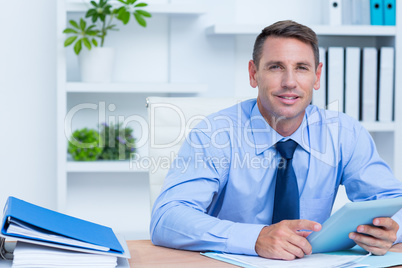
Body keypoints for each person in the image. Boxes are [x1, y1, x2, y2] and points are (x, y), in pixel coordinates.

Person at [150, 20, 402, 260]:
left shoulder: (344, 133)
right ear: (253, 74)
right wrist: (254, 238)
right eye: (276, 67)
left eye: (301, 68)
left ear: (316, 76)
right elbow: (167, 218)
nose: (289, 82)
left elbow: (393, 204)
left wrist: (390, 231)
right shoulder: (215, 134)